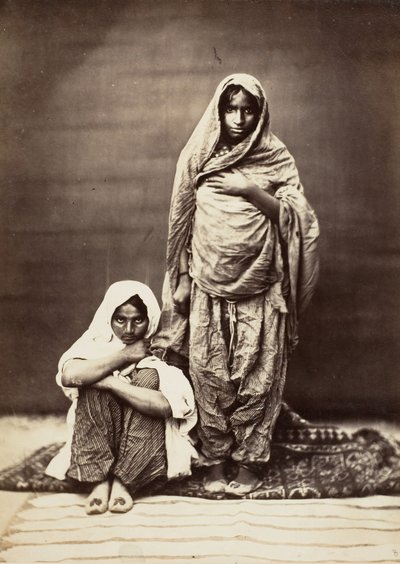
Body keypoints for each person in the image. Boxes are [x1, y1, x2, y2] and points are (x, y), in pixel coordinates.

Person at [151, 74, 319, 496]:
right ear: (219, 110)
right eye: (231, 108)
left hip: (262, 287)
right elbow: (181, 222)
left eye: (248, 109)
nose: (240, 118)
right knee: (209, 375)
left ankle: (249, 461)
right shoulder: (200, 155)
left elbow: (296, 218)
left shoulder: (275, 156)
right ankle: (215, 459)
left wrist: (249, 189)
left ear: (260, 112)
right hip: (208, 284)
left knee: (257, 375)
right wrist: (184, 278)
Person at [46, 280, 197, 514]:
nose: (128, 330)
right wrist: (124, 356)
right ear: (109, 318)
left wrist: (111, 382)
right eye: (120, 320)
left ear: (150, 319)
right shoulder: (96, 342)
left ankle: (124, 482)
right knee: (92, 386)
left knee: (147, 377)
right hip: (102, 436)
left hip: (146, 445)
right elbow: (70, 376)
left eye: (138, 320)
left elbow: (165, 406)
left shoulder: (161, 347)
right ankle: (99, 480)